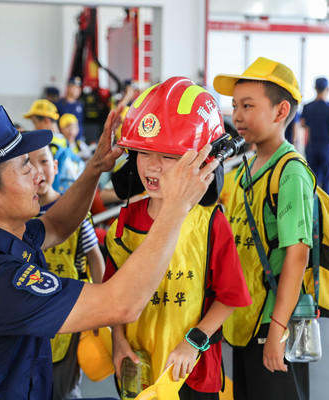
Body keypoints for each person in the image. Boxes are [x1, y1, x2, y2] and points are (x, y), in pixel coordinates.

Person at [0, 102, 220, 400]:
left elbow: (57, 223)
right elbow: (123, 304)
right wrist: (176, 208)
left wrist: (96, 168)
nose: (39, 176)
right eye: (25, 167)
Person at [104, 77, 251, 400]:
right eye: (144, 153)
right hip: (138, 366)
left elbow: (230, 295)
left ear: (203, 161)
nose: (153, 167)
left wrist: (194, 341)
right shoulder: (127, 219)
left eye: (169, 157)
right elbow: (111, 295)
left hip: (189, 373)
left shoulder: (210, 223)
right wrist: (118, 340)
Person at [213, 57, 316, 400]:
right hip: (244, 320)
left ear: (280, 110)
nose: (237, 115)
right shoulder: (245, 169)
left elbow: (297, 255)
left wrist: (278, 331)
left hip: (271, 323)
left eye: (248, 105)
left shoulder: (290, 173)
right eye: (234, 106)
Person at [28, 143, 104, 399]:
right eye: (27, 164)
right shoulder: (18, 217)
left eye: (44, 162)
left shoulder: (75, 212)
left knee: (65, 388)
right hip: (30, 318)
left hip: (70, 315)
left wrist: (100, 310)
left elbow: (95, 259)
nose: (37, 171)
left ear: (56, 166)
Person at [300, 77, 329, 195]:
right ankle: (326, 209)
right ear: (328, 89)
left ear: (315, 88)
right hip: (327, 147)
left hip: (312, 146)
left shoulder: (308, 107)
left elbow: (303, 124)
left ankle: (312, 206)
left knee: (312, 179)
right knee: (327, 179)